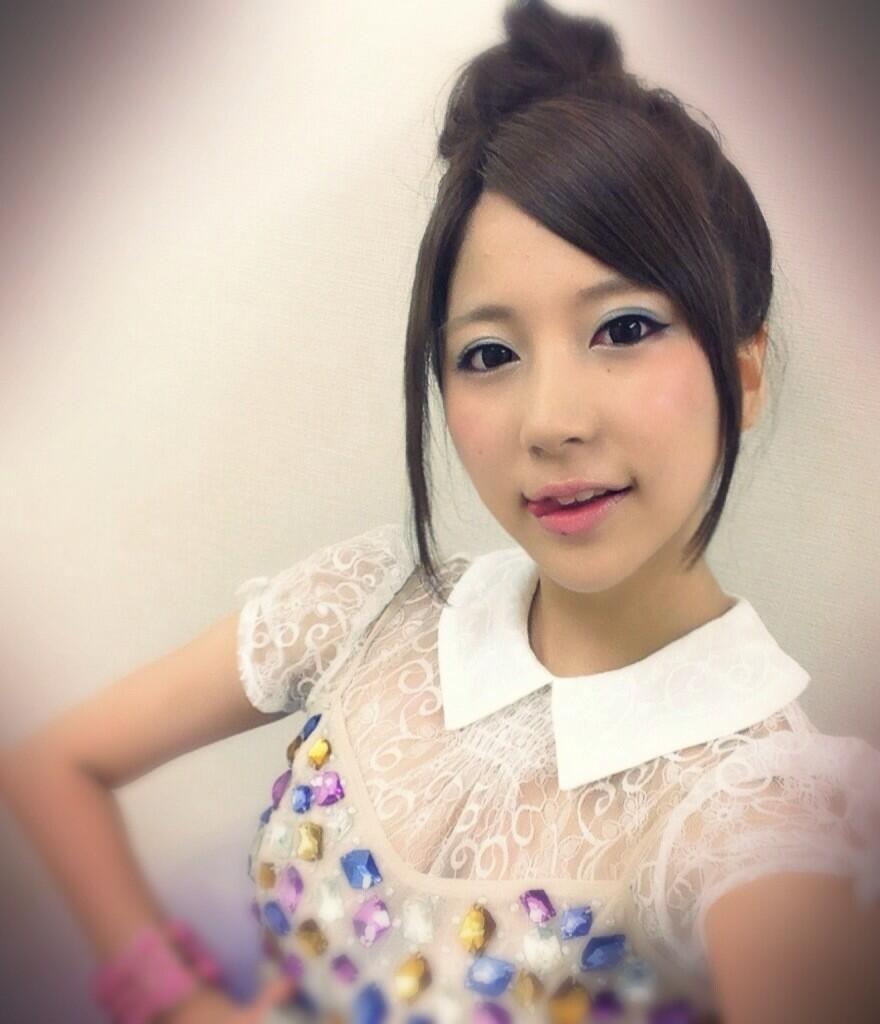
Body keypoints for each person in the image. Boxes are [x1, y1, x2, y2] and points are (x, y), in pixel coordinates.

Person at [3, 1, 880, 1021]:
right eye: (489, 353)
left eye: (624, 328)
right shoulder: (372, 608)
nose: (550, 422)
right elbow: (50, 765)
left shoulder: (756, 808)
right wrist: (177, 1002)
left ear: (745, 369)